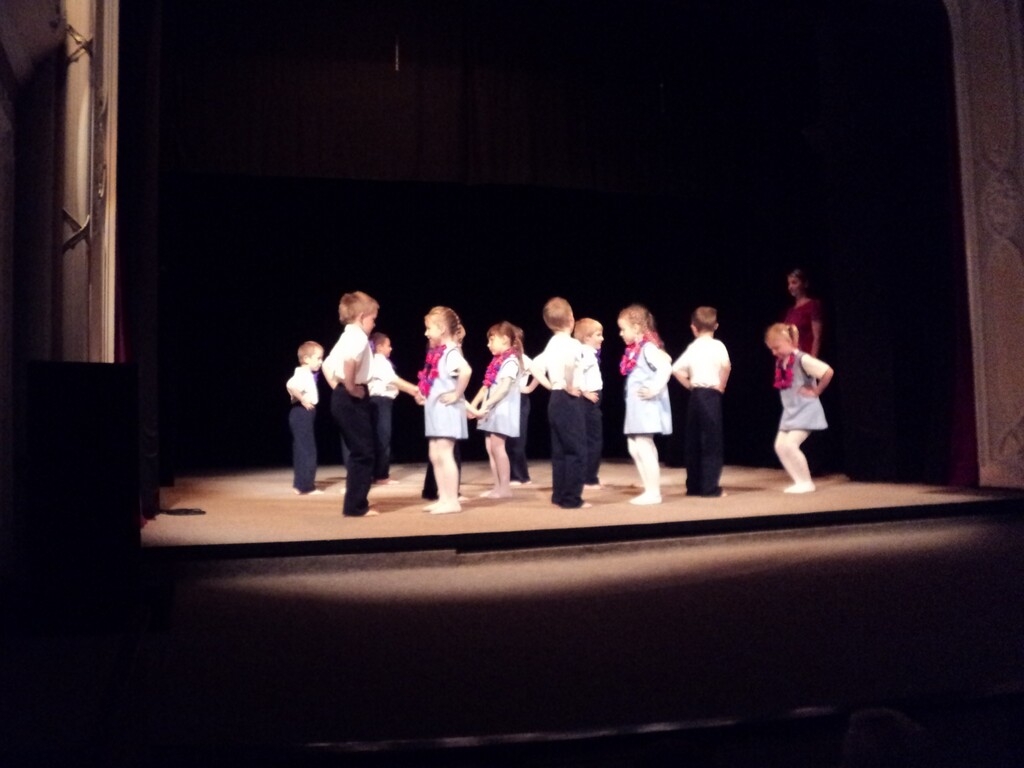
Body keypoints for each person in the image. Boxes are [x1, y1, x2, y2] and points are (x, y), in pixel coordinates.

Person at [322, 291, 379, 517]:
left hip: (342, 396)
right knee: (363, 452)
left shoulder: (346, 336)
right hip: (351, 397)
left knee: (360, 451)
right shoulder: (357, 337)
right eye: (373, 318)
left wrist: (338, 388)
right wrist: (351, 387)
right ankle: (355, 507)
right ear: (362, 316)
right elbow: (349, 361)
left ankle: (355, 503)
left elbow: (327, 365)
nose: (374, 324)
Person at [764, 322, 834, 493]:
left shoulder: (803, 359)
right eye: (771, 349)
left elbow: (828, 371)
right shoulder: (781, 362)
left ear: (789, 341)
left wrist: (816, 391)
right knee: (780, 446)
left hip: (806, 410)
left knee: (790, 445)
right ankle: (799, 481)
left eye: (777, 347)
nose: (774, 352)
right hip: (790, 411)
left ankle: (807, 482)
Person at [535, 297, 589, 509]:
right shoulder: (572, 343)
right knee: (576, 450)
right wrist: (568, 385)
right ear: (571, 319)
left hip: (555, 399)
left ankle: (559, 495)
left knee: (560, 451)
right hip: (569, 399)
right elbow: (569, 363)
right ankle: (572, 498)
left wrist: (551, 385)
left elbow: (534, 366)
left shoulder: (551, 344)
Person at [672, 307, 731, 497]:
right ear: (716, 326)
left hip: (696, 395)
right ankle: (710, 488)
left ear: (693, 327)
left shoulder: (693, 347)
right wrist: (721, 386)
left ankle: (694, 486)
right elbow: (727, 366)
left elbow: (676, 370)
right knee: (711, 441)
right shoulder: (718, 346)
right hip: (711, 395)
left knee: (694, 440)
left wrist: (690, 385)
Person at [418, 306, 471, 514]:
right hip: (435, 411)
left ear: (441, 329)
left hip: (447, 411)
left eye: (429, 328)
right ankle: (443, 497)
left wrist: (457, 394)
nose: (426, 333)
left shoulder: (450, 352)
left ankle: (452, 501)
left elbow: (466, 370)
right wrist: (425, 394)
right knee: (435, 453)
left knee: (445, 453)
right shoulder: (438, 353)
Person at [618, 303, 673, 505]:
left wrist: (654, 388)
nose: (621, 333)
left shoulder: (648, 348)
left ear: (636, 327)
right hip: (636, 407)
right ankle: (649, 487)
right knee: (634, 447)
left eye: (623, 329)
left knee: (644, 445)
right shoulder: (635, 350)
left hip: (645, 406)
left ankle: (653, 492)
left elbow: (665, 367)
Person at [467, 321, 523, 499]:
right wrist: (473, 405)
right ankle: (497, 486)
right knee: (490, 447)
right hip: (491, 409)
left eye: (492, 340)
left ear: (505, 339)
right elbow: (486, 386)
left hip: (502, 410)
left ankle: (505, 488)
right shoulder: (497, 362)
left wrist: (485, 405)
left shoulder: (511, 361)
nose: (488, 344)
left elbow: (504, 388)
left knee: (498, 447)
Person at [367, 332, 420, 485]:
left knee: (378, 437)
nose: (391, 348)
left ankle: (375, 473)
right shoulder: (379, 360)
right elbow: (393, 380)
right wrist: (415, 390)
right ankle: (381, 475)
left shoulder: (375, 361)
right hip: (380, 401)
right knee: (382, 438)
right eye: (388, 345)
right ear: (379, 347)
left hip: (378, 401)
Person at [285, 340, 325, 495]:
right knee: (307, 450)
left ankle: (300, 485)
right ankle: (306, 486)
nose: (321, 362)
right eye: (318, 358)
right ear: (307, 359)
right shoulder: (302, 373)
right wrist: (302, 399)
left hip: (302, 414)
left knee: (302, 449)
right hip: (301, 413)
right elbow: (290, 385)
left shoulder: (306, 374)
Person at [573, 317, 605, 489]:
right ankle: (589, 478)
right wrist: (585, 391)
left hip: (591, 399)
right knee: (593, 439)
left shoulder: (588, 352)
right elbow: (576, 372)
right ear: (586, 338)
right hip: (588, 401)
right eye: (598, 335)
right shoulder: (585, 353)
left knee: (590, 439)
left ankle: (588, 477)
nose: (602, 338)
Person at [507, 325, 539, 486]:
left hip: (519, 400)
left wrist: (529, 388)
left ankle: (520, 476)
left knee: (517, 440)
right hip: (505, 400)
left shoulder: (524, 360)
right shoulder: (503, 360)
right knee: (507, 440)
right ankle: (512, 475)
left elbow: (539, 373)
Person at [784, 268, 824, 358]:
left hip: (806, 357)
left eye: (794, 283)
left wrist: (813, 361)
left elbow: (817, 337)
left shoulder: (812, 305)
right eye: (789, 283)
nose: (790, 287)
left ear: (805, 284)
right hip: (792, 358)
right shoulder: (791, 311)